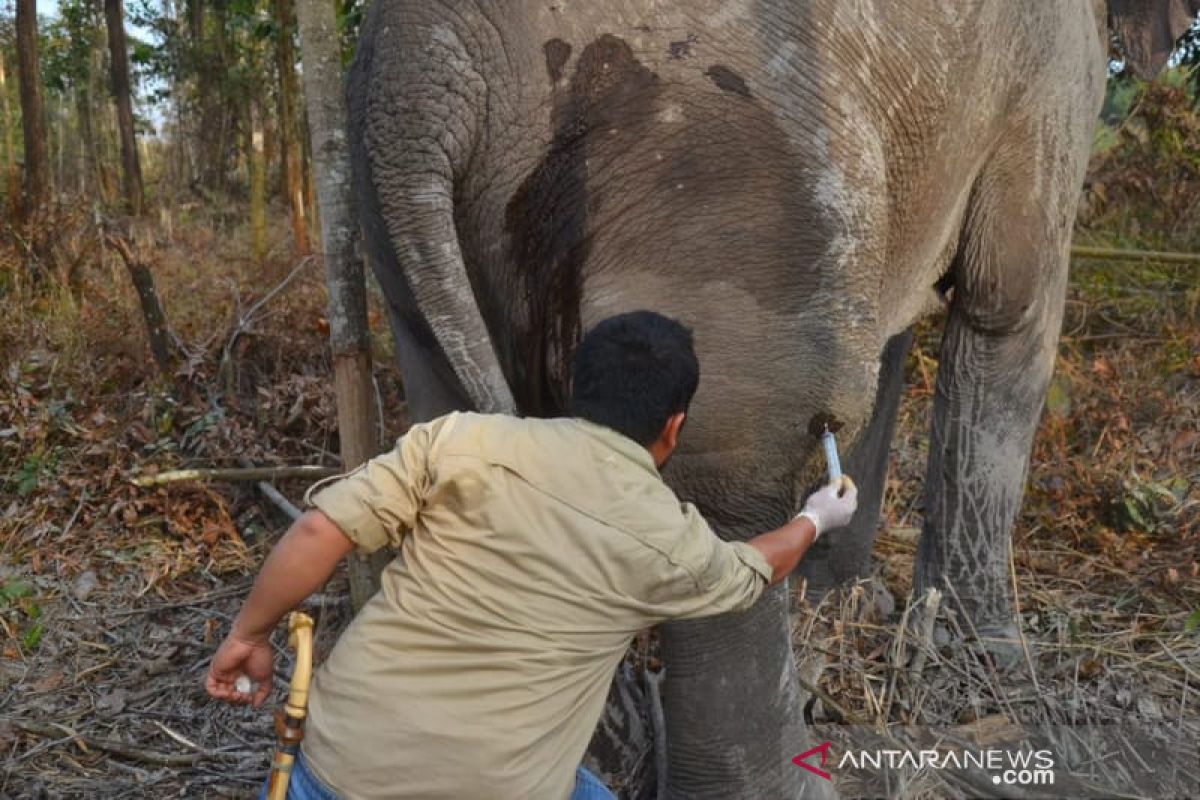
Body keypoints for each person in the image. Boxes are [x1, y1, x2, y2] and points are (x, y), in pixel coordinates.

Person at [206, 310, 858, 800]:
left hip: (335, 766)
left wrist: (248, 634)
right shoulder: (669, 539)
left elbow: (322, 532)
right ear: (674, 425)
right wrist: (815, 516)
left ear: (578, 387)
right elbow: (754, 570)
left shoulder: (461, 439)